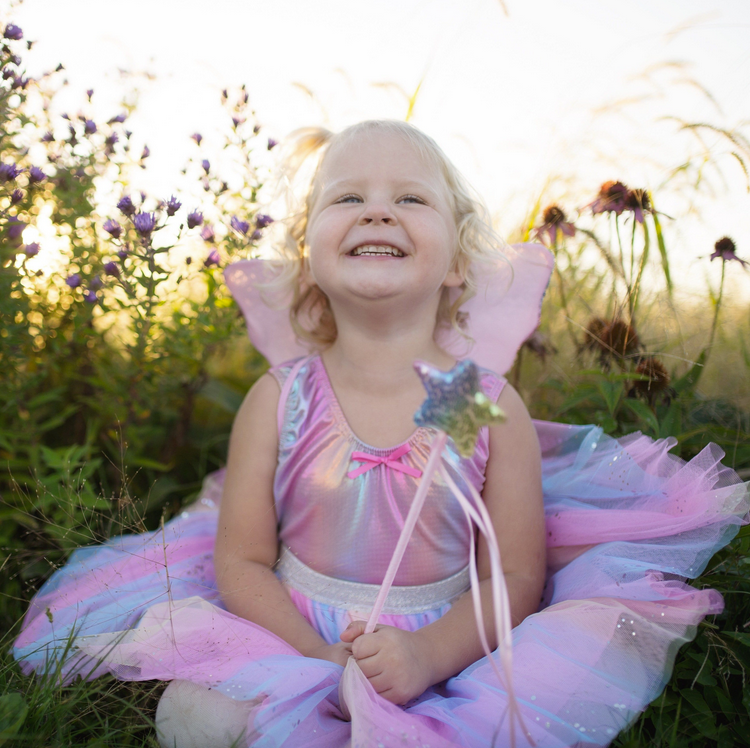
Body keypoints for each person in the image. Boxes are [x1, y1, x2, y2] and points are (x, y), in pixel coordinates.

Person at [14, 121, 749, 748]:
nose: (377, 213)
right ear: (308, 253)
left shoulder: (475, 404)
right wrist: (319, 660)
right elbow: (240, 560)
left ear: (459, 262)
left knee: (497, 721)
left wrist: (427, 655)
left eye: (410, 198)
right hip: (292, 634)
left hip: (451, 639)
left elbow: (514, 575)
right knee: (192, 716)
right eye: (348, 198)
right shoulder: (281, 400)